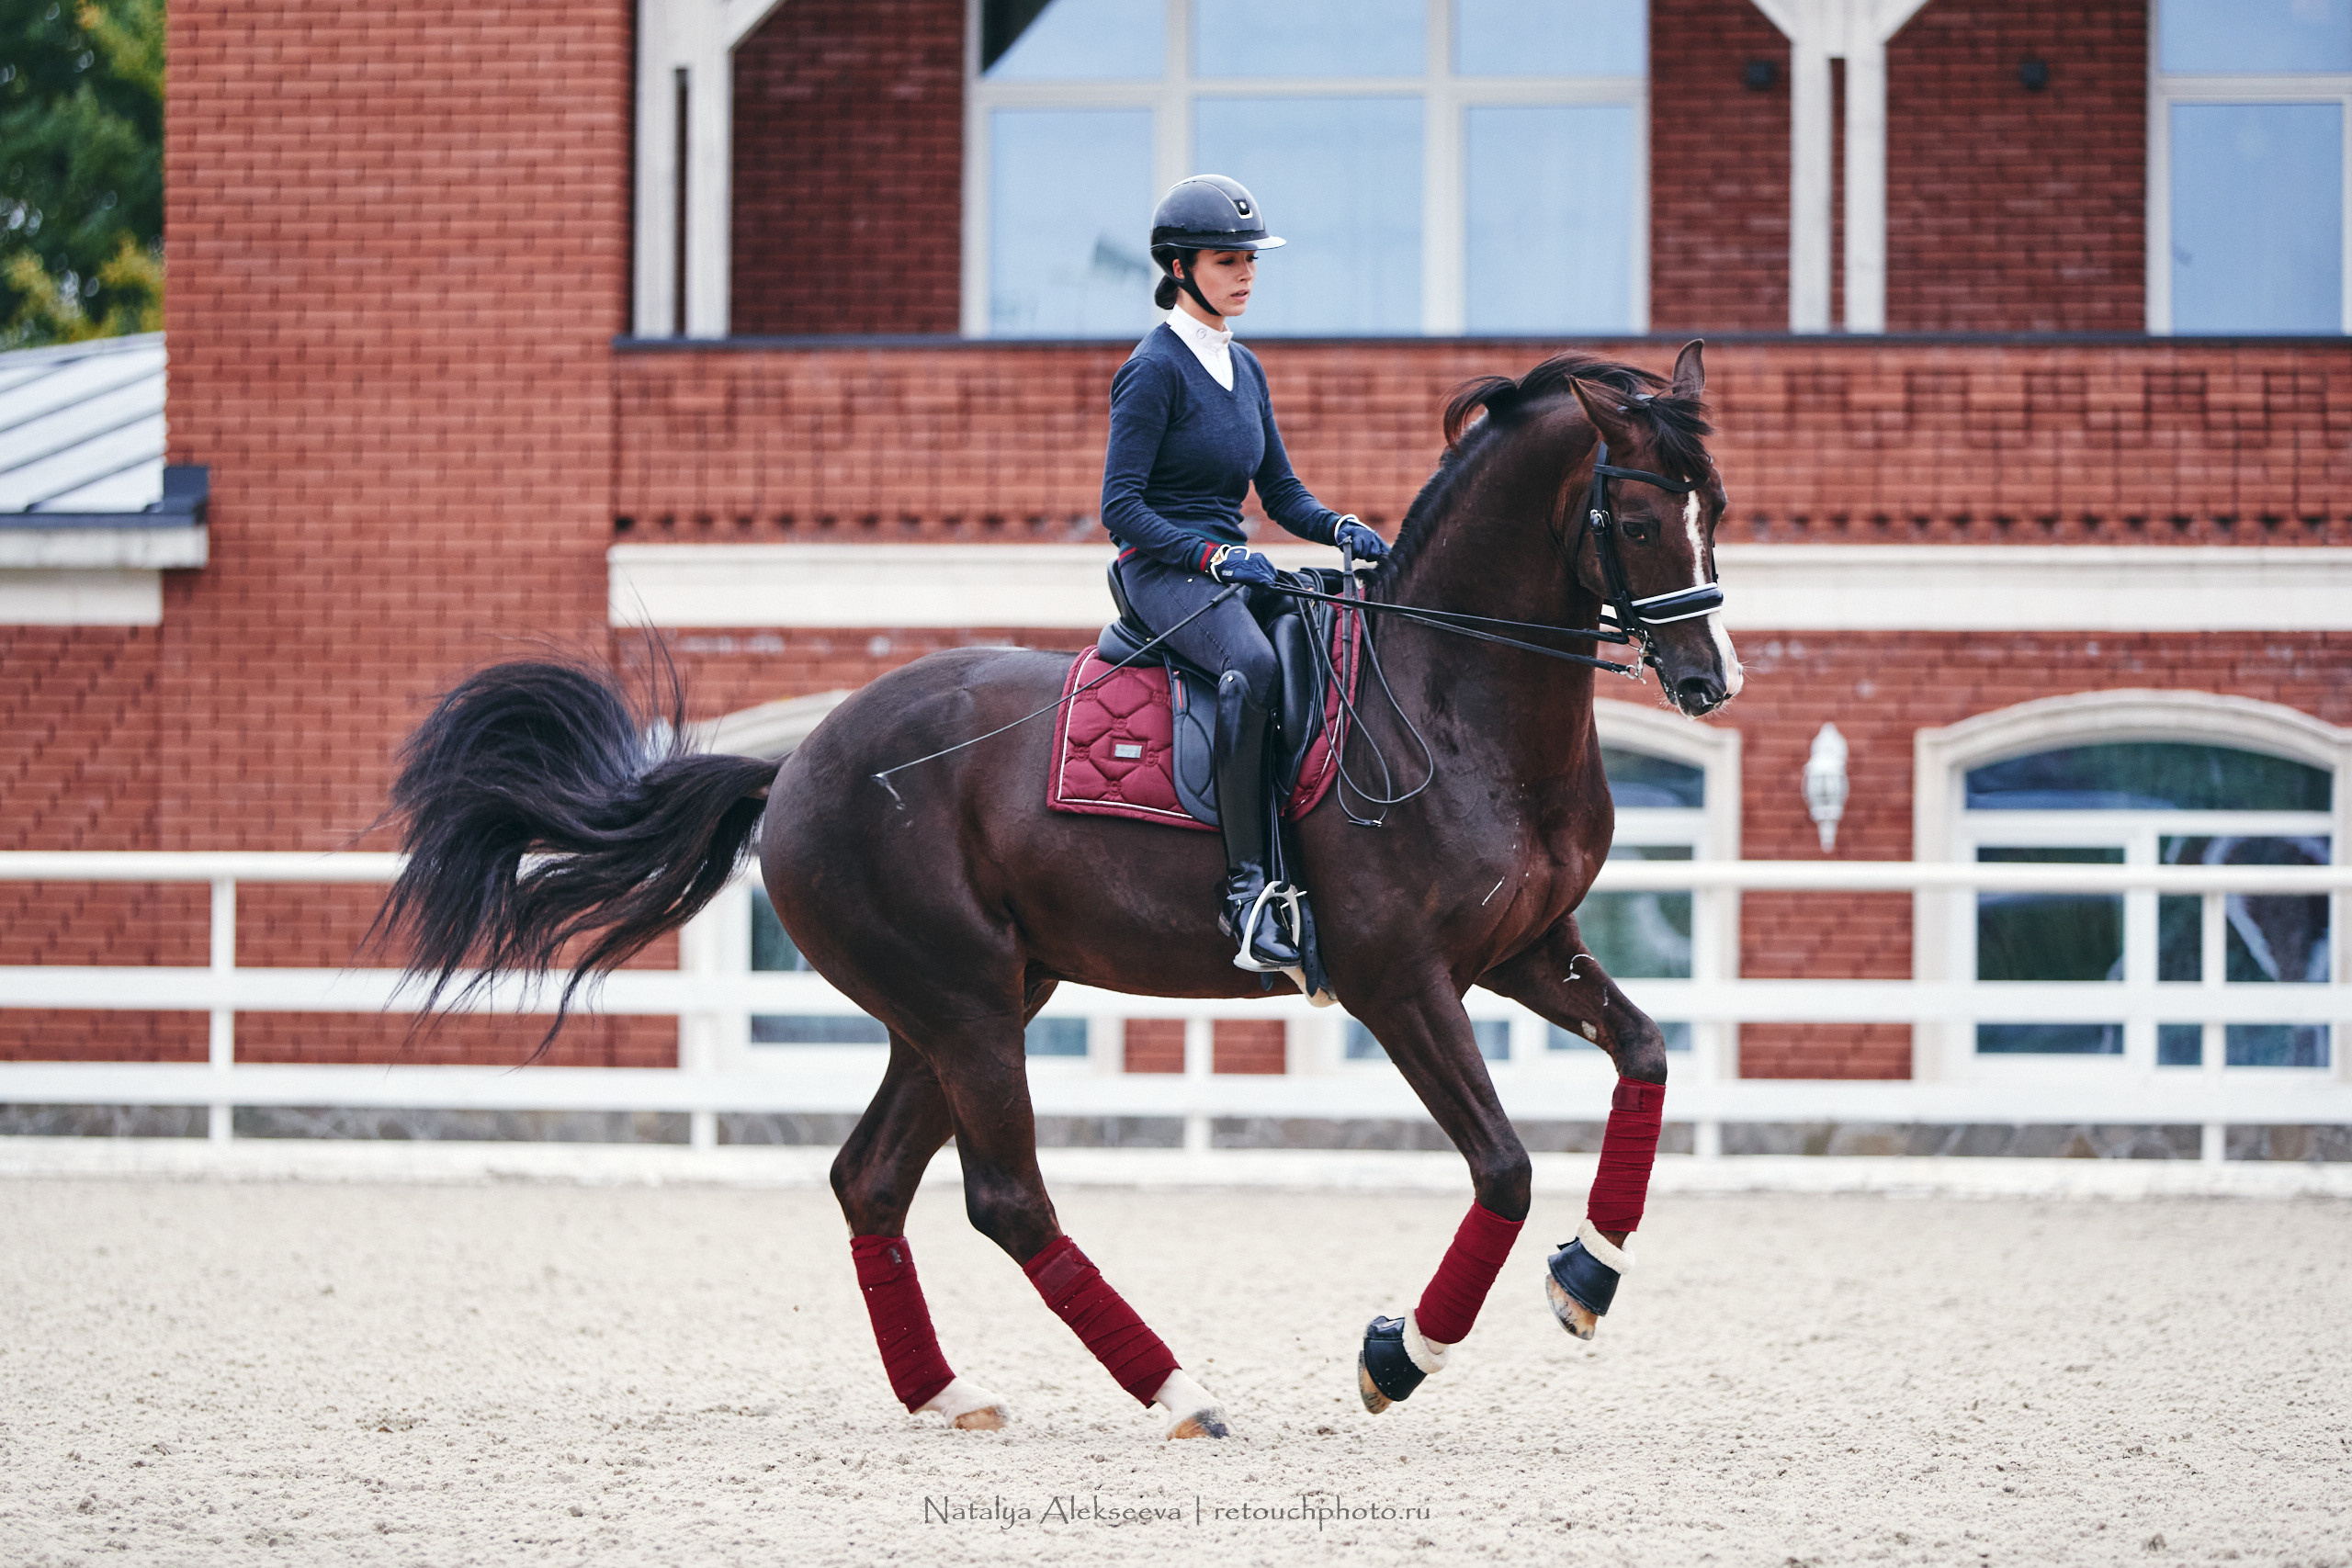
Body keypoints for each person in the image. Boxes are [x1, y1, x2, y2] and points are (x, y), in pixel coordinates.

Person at [1099, 174, 1390, 973]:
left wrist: (1341, 527)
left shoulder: (1246, 368)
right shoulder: (1152, 370)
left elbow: (1282, 493)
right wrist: (1211, 554)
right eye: (1229, 260)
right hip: (1161, 570)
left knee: (1324, 644)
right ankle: (1246, 889)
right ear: (1181, 266)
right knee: (1254, 665)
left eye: (1252, 260)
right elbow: (1119, 507)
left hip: (1226, 568)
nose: (1247, 274)